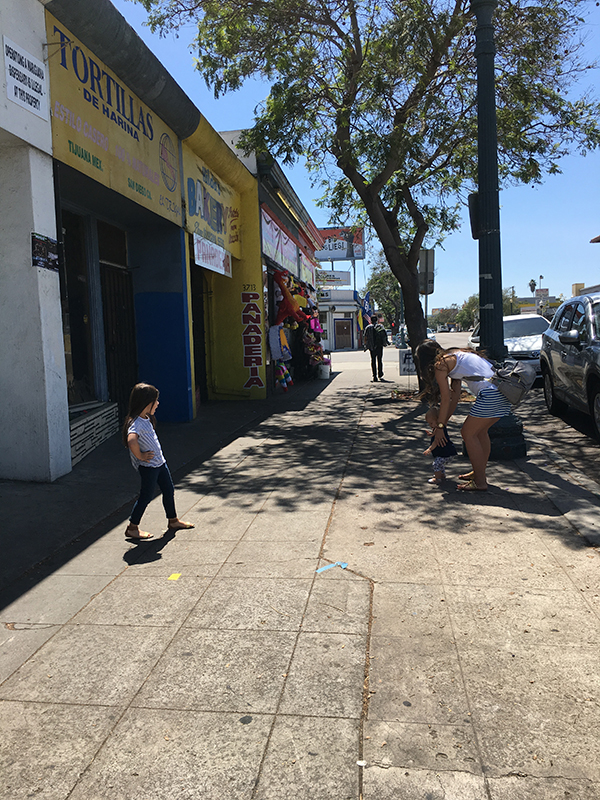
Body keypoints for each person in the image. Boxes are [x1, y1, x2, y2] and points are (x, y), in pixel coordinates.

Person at [415, 340, 512, 491]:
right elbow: (454, 397)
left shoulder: (441, 364)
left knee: (468, 433)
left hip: (490, 394)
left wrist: (440, 426)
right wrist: (442, 424)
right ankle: (479, 472)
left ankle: (480, 482)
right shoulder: (454, 355)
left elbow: (446, 398)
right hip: (503, 392)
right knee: (480, 433)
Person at [122, 383, 194, 539]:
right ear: (146, 402)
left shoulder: (146, 418)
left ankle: (173, 520)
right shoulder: (136, 423)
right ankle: (132, 527)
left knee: (168, 490)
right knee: (146, 496)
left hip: (160, 464)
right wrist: (140, 456)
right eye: (155, 401)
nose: (158, 403)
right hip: (149, 467)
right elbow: (131, 440)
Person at [423, 407, 457, 484]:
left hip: (446, 453)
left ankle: (437, 479)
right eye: (429, 423)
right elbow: (435, 433)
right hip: (448, 452)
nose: (430, 425)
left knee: (436, 464)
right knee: (440, 463)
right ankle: (441, 474)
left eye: (431, 423)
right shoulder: (438, 428)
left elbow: (436, 442)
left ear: (438, 420)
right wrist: (432, 434)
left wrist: (430, 449)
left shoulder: (441, 429)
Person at [364, 315, 389, 381]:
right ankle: (380, 373)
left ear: (371, 320)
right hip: (379, 346)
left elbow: (365, 337)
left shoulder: (368, 327)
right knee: (379, 360)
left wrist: (366, 345)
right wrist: (385, 343)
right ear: (377, 320)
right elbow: (384, 335)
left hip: (372, 347)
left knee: (373, 361)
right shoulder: (380, 326)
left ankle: (374, 376)